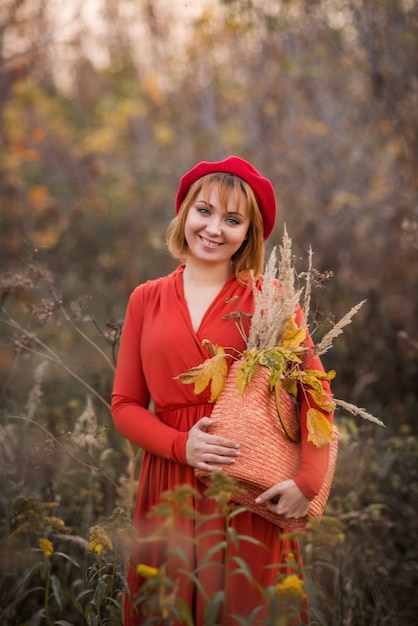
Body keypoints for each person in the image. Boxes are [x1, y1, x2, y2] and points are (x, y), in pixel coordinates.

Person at [111, 156, 333, 625]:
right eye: (204, 211)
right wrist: (179, 445)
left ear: (249, 233)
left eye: (232, 220)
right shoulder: (145, 298)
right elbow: (125, 405)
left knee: (246, 607)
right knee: (166, 608)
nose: (214, 228)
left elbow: (316, 394)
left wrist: (307, 481)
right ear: (184, 213)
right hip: (168, 482)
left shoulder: (270, 299)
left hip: (244, 485)